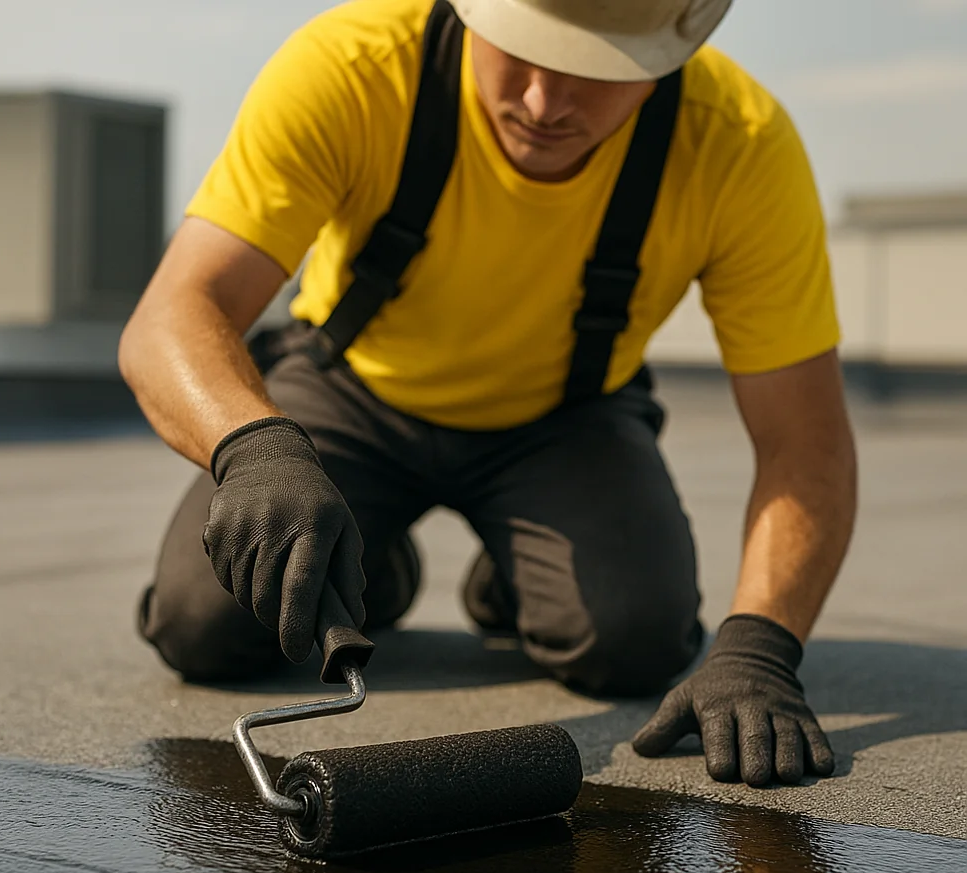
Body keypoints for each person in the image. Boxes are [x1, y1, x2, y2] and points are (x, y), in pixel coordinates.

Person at [120, 0, 857, 788]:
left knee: (634, 642)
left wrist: (759, 648)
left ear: (671, 52)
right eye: (520, 49)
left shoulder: (738, 142)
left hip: (563, 423)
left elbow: (804, 440)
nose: (543, 102)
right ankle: (369, 559)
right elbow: (172, 314)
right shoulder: (354, 68)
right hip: (351, 393)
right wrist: (256, 450)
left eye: (595, 68)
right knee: (201, 623)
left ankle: (515, 574)